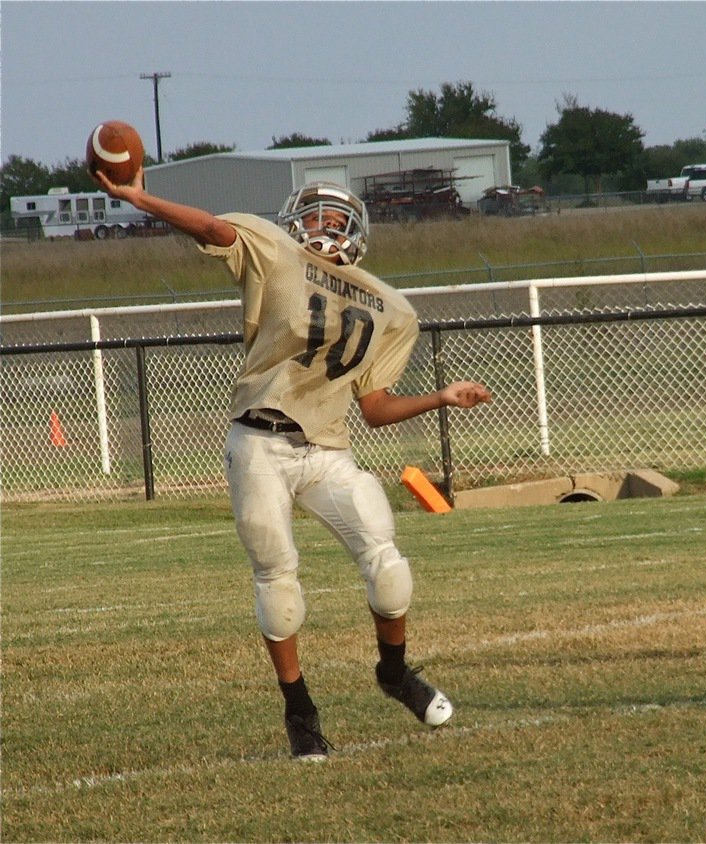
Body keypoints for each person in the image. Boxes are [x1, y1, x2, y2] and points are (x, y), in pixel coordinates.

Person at [94, 169, 492, 761]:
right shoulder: (273, 249)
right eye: (316, 215)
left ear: (356, 229)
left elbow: (376, 408)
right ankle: (299, 711)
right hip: (258, 441)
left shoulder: (391, 308)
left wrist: (439, 396)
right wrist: (137, 198)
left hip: (325, 449)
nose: (324, 226)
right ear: (294, 218)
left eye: (336, 218)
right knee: (278, 582)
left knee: (388, 565)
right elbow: (208, 226)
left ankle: (395, 673)